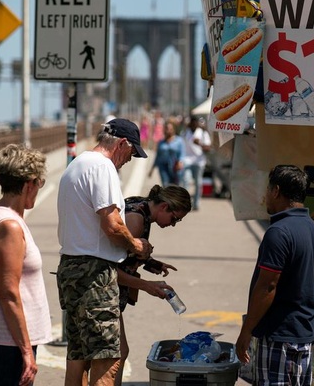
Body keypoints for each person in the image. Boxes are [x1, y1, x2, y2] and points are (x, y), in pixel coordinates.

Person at [56, 118, 153, 386]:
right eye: (132, 153)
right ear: (122, 143)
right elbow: (112, 224)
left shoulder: (77, 164)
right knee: (107, 358)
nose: (129, 160)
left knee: (79, 356)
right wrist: (136, 246)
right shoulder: (103, 167)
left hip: (71, 269)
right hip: (94, 274)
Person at [235, 165, 314, 386]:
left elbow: (268, 287)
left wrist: (247, 331)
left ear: (276, 191)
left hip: (279, 338)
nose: (265, 196)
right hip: (304, 335)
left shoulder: (279, 233)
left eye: (267, 189)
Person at [0, 144, 52, 386]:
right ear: (30, 183)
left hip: (6, 338)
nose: (39, 189)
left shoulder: (3, 215)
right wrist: (27, 351)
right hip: (9, 341)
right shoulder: (9, 225)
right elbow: (8, 293)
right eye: (40, 183)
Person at [115, 184, 192, 385]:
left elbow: (129, 254)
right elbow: (111, 269)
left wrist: (152, 263)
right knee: (116, 354)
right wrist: (147, 285)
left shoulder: (141, 207)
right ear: (164, 206)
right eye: (175, 218)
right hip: (105, 293)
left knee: (105, 354)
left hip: (110, 292)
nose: (174, 224)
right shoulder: (136, 220)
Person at [180, 116, 211, 210]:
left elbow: (208, 148)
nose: (193, 125)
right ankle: (186, 203)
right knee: (186, 182)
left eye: (195, 123)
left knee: (198, 183)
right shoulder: (185, 133)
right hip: (187, 161)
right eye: (191, 123)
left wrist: (199, 144)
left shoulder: (203, 133)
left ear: (197, 123)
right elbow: (181, 147)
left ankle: (196, 202)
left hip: (199, 162)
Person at [148, 121, 185, 187]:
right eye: (167, 128)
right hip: (163, 167)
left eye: (170, 129)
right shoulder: (161, 142)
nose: (168, 131)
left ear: (174, 130)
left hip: (174, 167)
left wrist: (180, 162)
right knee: (165, 184)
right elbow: (157, 156)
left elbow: (182, 153)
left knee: (175, 186)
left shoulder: (179, 141)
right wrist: (152, 169)